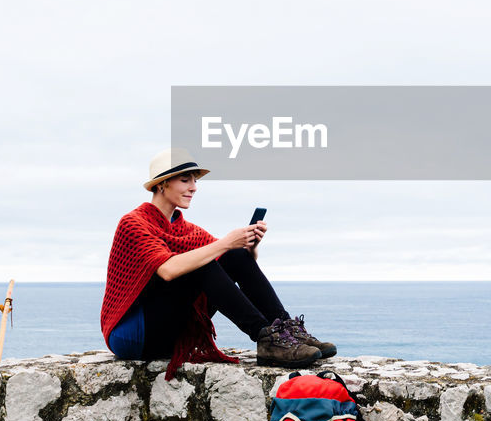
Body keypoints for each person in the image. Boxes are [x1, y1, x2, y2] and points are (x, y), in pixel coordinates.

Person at [100, 148, 335, 379]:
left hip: (168, 330)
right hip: (132, 336)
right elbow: (168, 270)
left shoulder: (187, 230)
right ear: (161, 184)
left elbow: (234, 262)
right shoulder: (133, 224)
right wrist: (225, 243)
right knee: (204, 260)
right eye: (185, 180)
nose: (194, 187)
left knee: (233, 255)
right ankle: (264, 337)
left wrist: (248, 246)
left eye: (195, 181)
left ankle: (285, 330)